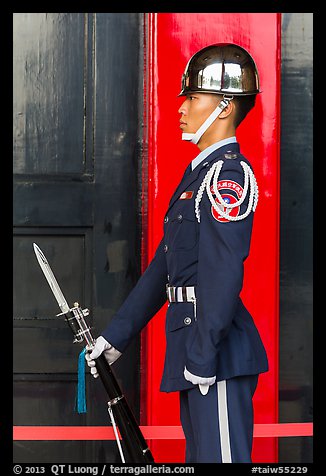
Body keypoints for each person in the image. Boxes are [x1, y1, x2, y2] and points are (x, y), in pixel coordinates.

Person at [85, 43, 269, 463]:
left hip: (216, 356)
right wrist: (116, 338)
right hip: (195, 348)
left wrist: (203, 356)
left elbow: (222, 274)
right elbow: (166, 268)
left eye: (193, 97)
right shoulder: (198, 174)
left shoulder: (227, 175)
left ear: (224, 107)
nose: (182, 107)